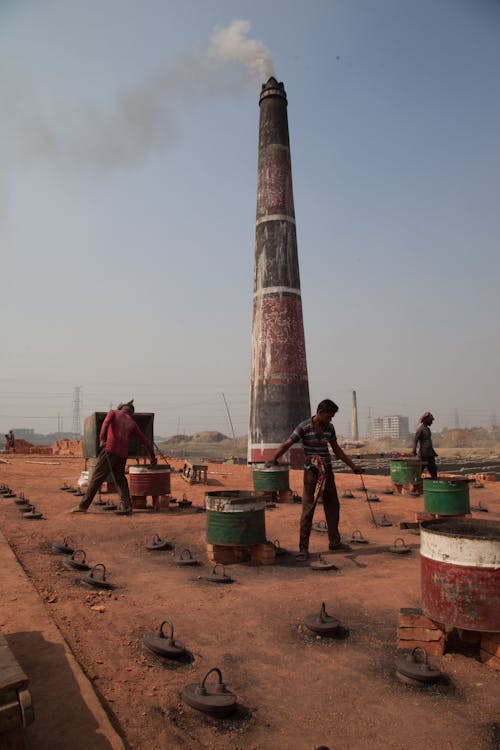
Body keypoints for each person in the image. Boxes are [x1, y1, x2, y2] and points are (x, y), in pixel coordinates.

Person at [266, 399, 362, 561]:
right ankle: (303, 549)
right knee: (308, 509)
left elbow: (337, 450)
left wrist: (353, 467)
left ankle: (334, 542)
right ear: (320, 413)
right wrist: (273, 458)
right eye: (329, 416)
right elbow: (288, 443)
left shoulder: (329, 428)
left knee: (333, 506)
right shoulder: (303, 427)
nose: (331, 419)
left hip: (327, 471)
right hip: (312, 472)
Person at [71, 400, 156, 515]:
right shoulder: (132, 422)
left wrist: (102, 439)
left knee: (97, 478)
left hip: (110, 450)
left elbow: (105, 424)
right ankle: (127, 505)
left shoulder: (113, 413)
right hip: (122, 455)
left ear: (121, 408)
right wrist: (152, 456)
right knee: (120, 479)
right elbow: (144, 440)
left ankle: (83, 506)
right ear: (130, 412)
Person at [412, 411, 438, 479]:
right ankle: (414, 486)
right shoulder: (420, 429)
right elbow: (415, 440)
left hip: (430, 454)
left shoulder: (428, 429)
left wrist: (432, 452)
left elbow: (428, 441)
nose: (431, 422)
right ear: (426, 420)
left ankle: (434, 484)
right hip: (423, 454)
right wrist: (414, 450)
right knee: (418, 472)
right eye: (430, 420)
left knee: (433, 471)